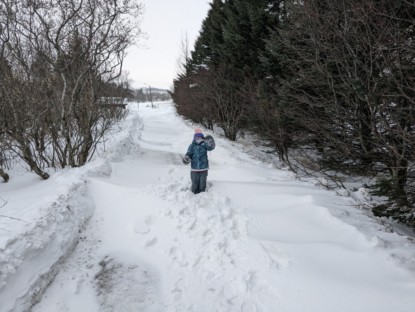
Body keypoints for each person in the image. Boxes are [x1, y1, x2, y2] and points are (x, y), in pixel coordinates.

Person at [183, 128, 215, 194]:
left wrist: (210, 140)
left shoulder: (205, 145)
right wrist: (187, 158)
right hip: (194, 169)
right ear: (194, 138)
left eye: (200, 137)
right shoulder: (192, 146)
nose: (198, 139)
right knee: (194, 185)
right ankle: (193, 196)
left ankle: (202, 196)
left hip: (204, 169)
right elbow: (188, 154)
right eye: (197, 137)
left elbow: (211, 147)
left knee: (202, 185)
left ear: (202, 137)